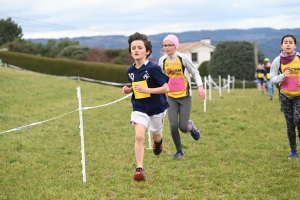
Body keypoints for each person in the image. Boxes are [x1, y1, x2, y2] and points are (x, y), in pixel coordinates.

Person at [122, 32, 170, 181]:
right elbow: (137, 85)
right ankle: (140, 169)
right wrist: (129, 89)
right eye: (133, 48)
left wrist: (147, 90)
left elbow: (165, 88)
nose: (136, 50)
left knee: (156, 134)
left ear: (147, 51)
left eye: (139, 47)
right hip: (139, 107)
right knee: (139, 136)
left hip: (157, 107)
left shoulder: (154, 68)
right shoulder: (130, 71)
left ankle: (158, 142)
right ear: (130, 51)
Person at [158, 34, 205, 159]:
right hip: (171, 97)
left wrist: (200, 86)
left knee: (183, 127)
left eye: (170, 45)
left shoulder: (183, 58)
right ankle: (179, 151)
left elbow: (195, 72)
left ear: (176, 46)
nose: (167, 48)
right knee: (173, 126)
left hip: (185, 97)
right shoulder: (162, 61)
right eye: (165, 45)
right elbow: (160, 77)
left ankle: (191, 126)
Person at [270, 34, 300, 159]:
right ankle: (293, 150)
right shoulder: (278, 60)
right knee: (290, 124)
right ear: (281, 45)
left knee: (298, 119)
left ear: (295, 45)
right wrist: (283, 76)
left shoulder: (299, 58)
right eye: (285, 42)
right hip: (285, 96)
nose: (288, 44)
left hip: (299, 95)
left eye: (291, 42)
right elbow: (272, 78)